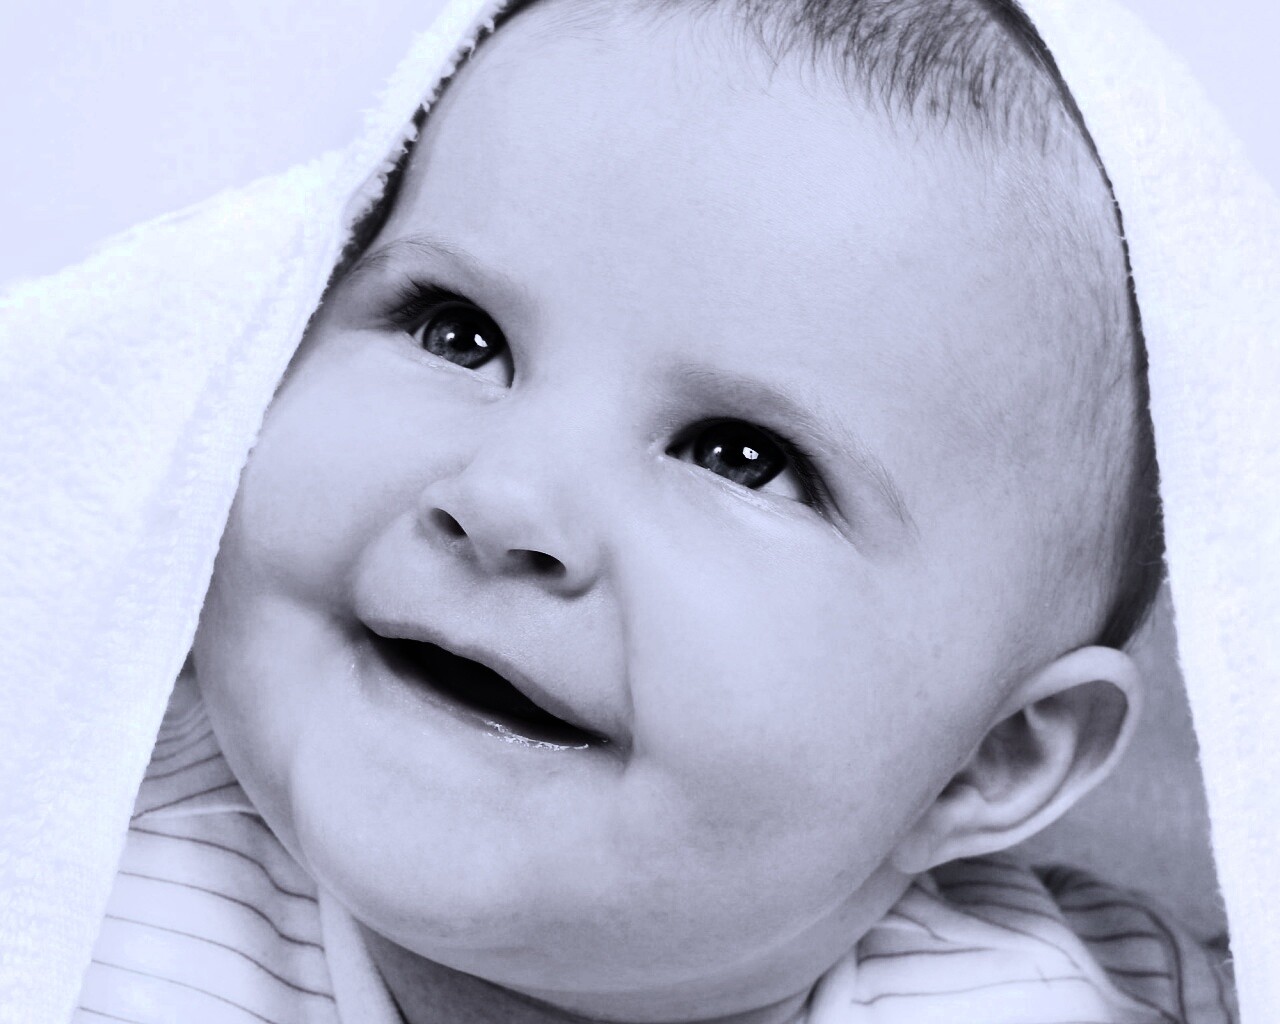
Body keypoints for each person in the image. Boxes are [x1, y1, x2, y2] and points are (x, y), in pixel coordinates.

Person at [51, 0, 1237, 1021]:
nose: (504, 498)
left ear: (987, 758)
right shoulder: (59, 861)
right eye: (458, 333)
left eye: (738, 456)